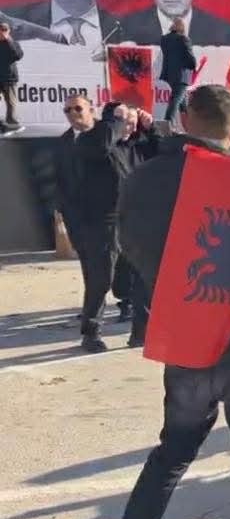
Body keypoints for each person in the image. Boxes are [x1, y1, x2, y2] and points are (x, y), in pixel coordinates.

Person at [103, 85, 230, 519]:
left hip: (185, 336)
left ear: (184, 119)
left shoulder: (144, 179)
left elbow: (130, 245)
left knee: (172, 454)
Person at [55, 94, 129, 353]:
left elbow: (105, 142)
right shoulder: (65, 141)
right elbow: (61, 179)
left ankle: (92, 329)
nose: (73, 113)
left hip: (109, 217)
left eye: (78, 108)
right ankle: (93, 320)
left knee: (103, 276)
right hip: (80, 220)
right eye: (67, 110)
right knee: (95, 274)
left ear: (91, 110)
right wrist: (64, 212)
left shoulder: (103, 131)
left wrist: (115, 113)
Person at [107, 104, 163, 348]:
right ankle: (125, 302)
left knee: (142, 277)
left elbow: (163, 149)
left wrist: (151, 129)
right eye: (122, 122)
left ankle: (140, 331)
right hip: (114, 220)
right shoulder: (106, 145)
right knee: (120, 275)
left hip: (143, 220)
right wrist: (112, 124)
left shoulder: (142, 145)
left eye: (131, 122)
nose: (127, 127)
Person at [158, 17, 197, 123]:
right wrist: (193, 65)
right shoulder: (184, 39)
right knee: (176, 99)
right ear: (182, 26)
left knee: (182, 102)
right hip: (181, 76)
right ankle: (167, 122)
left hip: (169, 75)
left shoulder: (164, 39)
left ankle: (189, 123)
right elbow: (190, 59)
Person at [0, 22, 22, 133]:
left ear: (8, 31)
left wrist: (8, 40)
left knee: (11, 102)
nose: (2, 32)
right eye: (1, 29)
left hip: (9, 78)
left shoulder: (13, 43)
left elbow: (18, 56)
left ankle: (11, 122)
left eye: (5, 29)